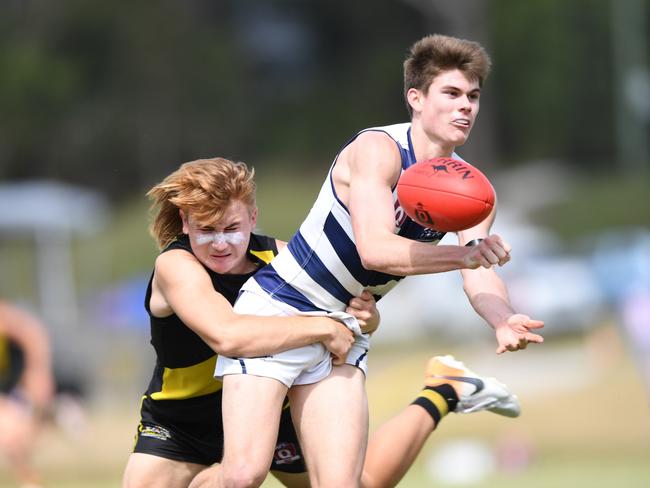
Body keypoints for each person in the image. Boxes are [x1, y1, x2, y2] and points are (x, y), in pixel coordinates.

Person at [194, 33, 544, 488]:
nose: (466, 108)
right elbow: (375, 250)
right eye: (452, 94)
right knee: (243, 475)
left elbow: (479, 276)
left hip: (345, 329)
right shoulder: (379, 151)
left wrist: (501, 319)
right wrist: (466, 254)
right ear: (415, 98)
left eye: (474, 96)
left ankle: (445, 392)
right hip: (280, 309)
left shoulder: (470, 189)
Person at [122, 157, 379, 488]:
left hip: (269, 411)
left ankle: (439, 392)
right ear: (185, 222)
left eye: (231, 229)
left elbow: (354, 324)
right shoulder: (176, 265)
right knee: (237, 476)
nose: (220, 243)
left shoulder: (283, 259)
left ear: (253, 218)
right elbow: (227, 335)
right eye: (206, 230)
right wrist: (324, 327)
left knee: (366, 485)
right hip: (182, 424)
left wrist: (368, 317)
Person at [0, 300, 55, 488]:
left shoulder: (6, 318)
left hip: (14, 386)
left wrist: (38, 372)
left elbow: (31, 334)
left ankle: (28, 480)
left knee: (11, 436)